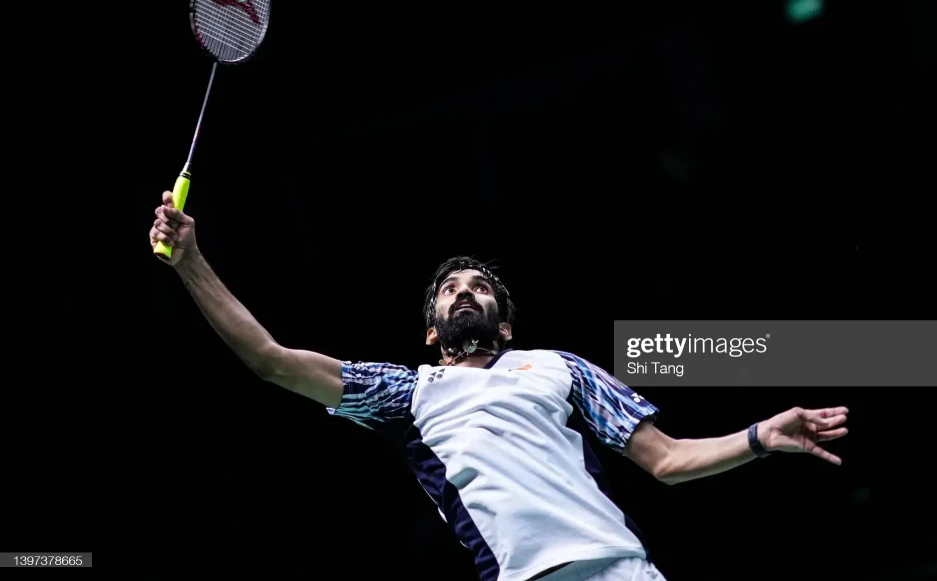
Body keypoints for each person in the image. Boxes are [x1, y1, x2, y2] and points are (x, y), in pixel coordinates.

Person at [149, 191, 850, 581]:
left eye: (479, 286)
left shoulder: (562, 368)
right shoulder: (406, 392)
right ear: (431, 330)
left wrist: (758, 437)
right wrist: (191, 262)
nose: (465, 291)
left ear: (504, 324)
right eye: (450, 288)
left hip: (627, 571)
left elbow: (666, 459)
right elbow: (270, 359)